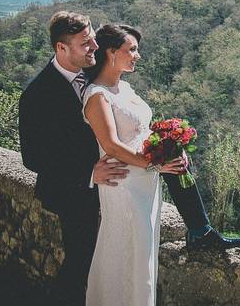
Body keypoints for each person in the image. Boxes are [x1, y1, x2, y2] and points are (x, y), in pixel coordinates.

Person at [18, 12, 240, 306]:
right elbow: (34, 158)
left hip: (123, 177)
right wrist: (88, 173)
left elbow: (126, 125)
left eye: (94, 41)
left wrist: (166, 145)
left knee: (130, 255)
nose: (94, 48)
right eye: (86, 44)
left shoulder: (96, 75)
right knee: (81, 265)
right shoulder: (37, 94)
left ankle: (200, 229)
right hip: (76, 189)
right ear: (62, 48)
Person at [80, 23, 186, 306]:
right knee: (127, 250)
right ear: (111, 52)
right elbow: (112, 145)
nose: (137, 55)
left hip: (145, 181)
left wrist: (168, 146)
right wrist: (154, 165)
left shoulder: (123, 87)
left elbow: (143, 130)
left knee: (144, 252)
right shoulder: (97, 95)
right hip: (123, 182)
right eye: (132, 49)